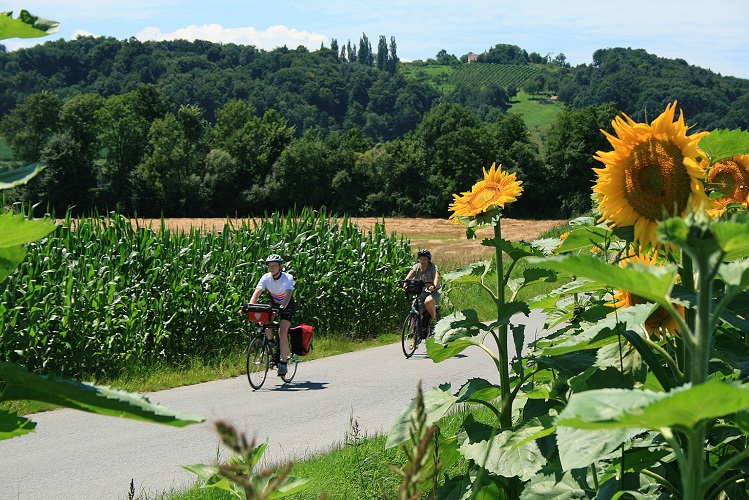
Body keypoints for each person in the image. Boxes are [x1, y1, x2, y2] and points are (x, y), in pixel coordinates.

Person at [249, 254, 296, 376]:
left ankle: (284, 363)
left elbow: (288, 294)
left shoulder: (287, 277)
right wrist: (250, 305)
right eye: (270, 266)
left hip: (287, 305)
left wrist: (282, 308)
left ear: (280, 266)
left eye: (274, 266)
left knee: (282, 331)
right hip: (274, 303)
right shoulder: (266, 278)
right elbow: (257, 293)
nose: (272, 268)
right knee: (263, 320)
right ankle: (270, 340)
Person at [404, 249, 440, 337]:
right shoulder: (416, 267)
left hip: (432, 292)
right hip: (420, 292)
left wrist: (434, 286)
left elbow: (436, 276)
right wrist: (405, 283)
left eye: (424, 259)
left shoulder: (432, 267)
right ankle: (413, 334)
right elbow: (409, 276)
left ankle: (433, 320)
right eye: (421, 259)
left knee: (428, 301)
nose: (422, 261)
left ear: (428, 260)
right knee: (416, 311)